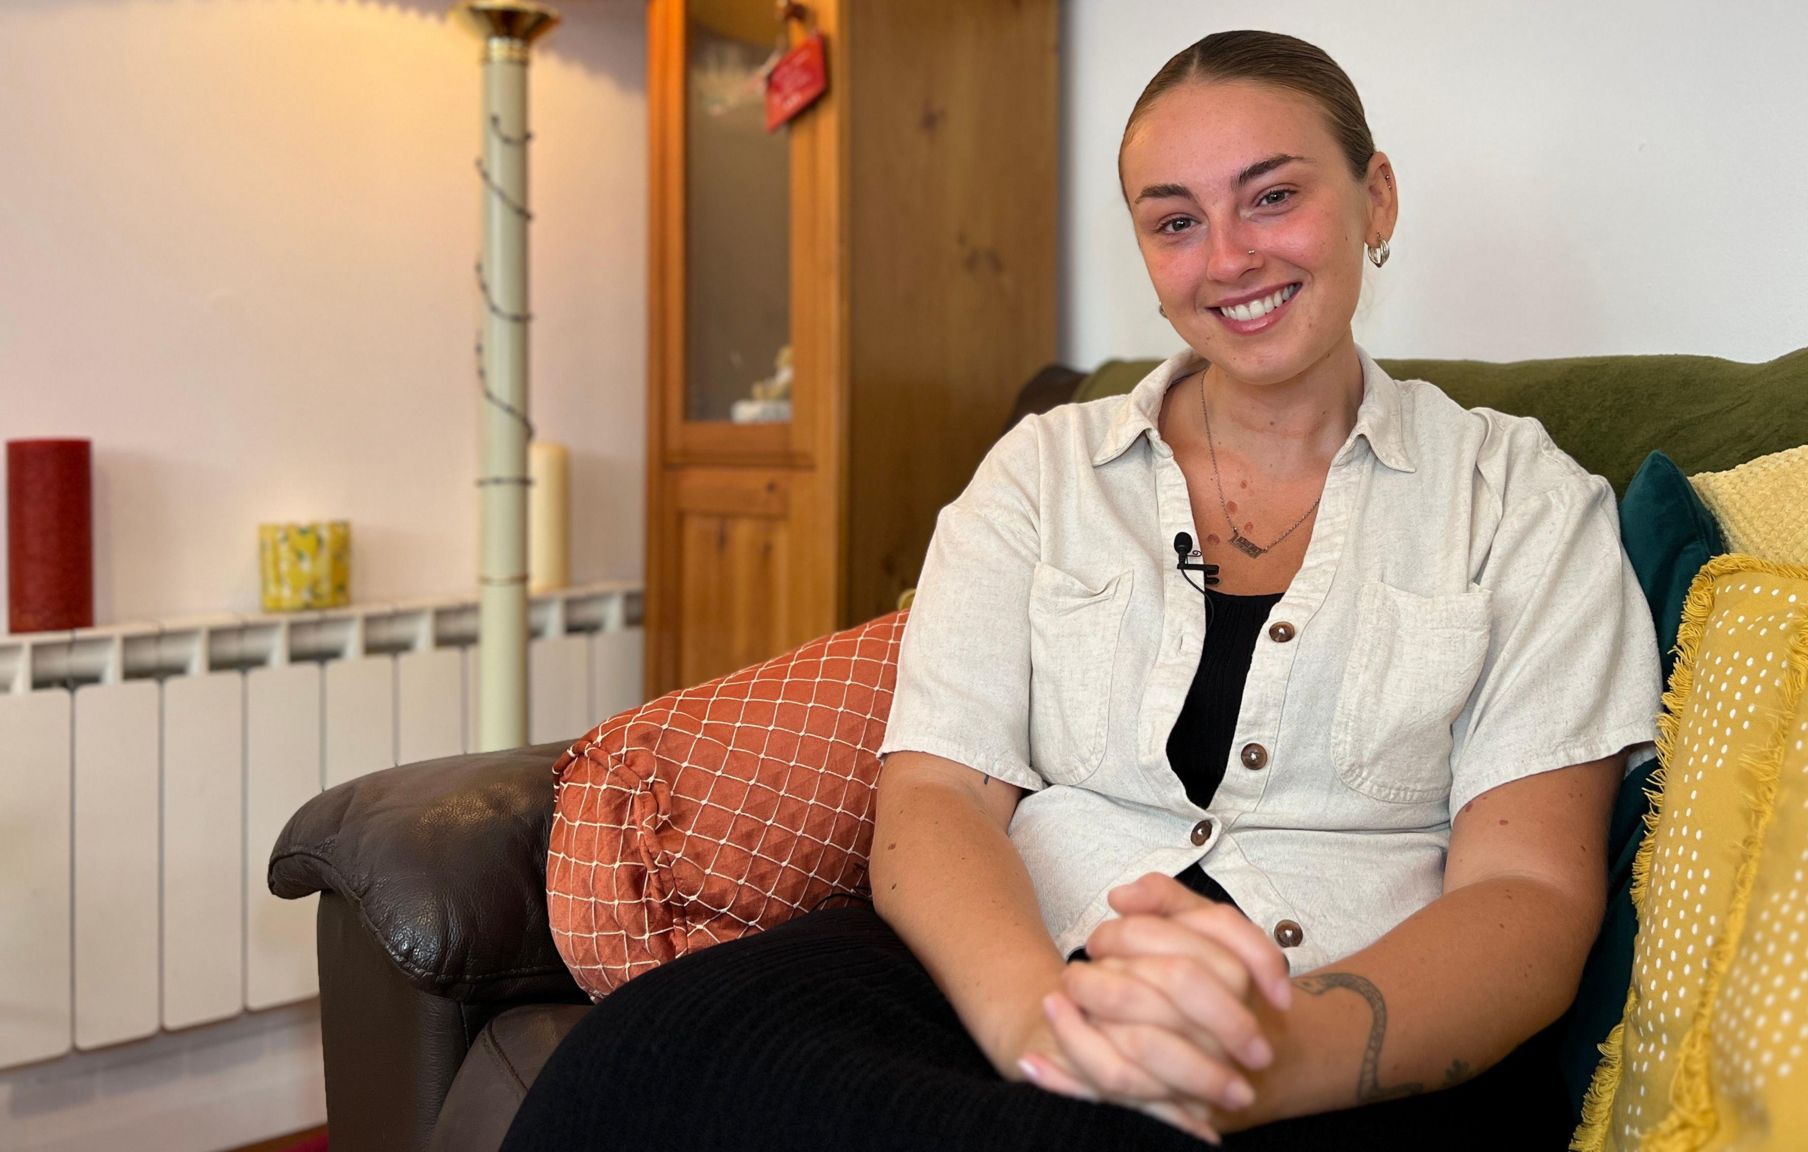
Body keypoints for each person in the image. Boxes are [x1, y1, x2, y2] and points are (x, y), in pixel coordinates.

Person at [503, 29, 1662, 1150]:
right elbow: (939, 795)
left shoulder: (1524, 503)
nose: (1228, 257)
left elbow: (1527, 891)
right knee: (641, 1060)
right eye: (1175, 221)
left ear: (1376, 200)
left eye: (1271, 196)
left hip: (1340, 1027)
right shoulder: (1042, 473)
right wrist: (1036, 1028)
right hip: (1019, 963)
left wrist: (1271, 1055)